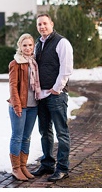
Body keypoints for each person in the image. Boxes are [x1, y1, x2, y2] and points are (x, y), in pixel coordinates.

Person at [32, 14, 73, 181]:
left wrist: (57, 88)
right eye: (39, 24)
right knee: (45, 132)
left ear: (51, 24)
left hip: (56, 96)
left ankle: (62, 168)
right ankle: (47, 164)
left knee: (61, 133)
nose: (42, 27)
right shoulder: (37, 44)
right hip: (41, 96)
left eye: (45, 23)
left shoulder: (61, 42)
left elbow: (66, 68)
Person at [8, 32, 41, 182]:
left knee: (26, 138)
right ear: (20, 47)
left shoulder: (34, 62)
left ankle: (23, 166)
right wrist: (17, 106)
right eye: (24, 45)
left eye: (30, 45)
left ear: (33, 46)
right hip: (19, 106)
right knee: (17, 137)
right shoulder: (15, 63)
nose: (27, 48)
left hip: (33, 106)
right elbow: (13, 86)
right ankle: (15, 168)